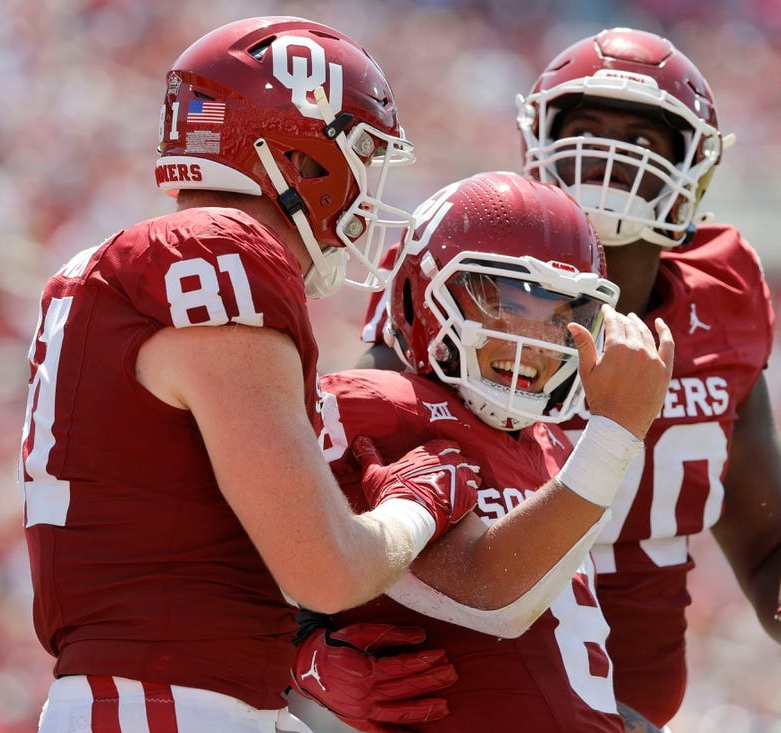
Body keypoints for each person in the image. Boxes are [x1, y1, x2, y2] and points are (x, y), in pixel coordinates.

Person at [354, 28, 781, 730]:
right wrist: (306, 640)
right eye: (589, 128)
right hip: (468, 696)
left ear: (691, 168)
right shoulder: (460, 264)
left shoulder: (721, 293)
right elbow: (342, 487)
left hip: (625, 709)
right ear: (539, 139)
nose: (609, 155)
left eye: (641, 139)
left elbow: (772, 531)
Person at [17, 17, 482, 733]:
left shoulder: (109, 270)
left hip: (155, 696)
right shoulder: (220, 250)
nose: (367, 186)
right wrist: (419, 501)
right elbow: (325, 568)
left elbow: (185, 537)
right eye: (358, 151)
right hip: (168, 703)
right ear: (295, 154)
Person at [287, 170, 675, 732]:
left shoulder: (555, 448)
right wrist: (298, 657)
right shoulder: (376, 404)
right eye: (503, 299)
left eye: (562, 315)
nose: (534, 340)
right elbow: (493, 595)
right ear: (422, 291)